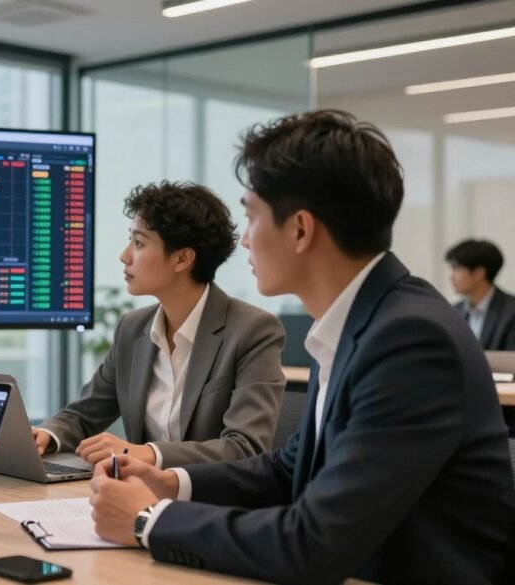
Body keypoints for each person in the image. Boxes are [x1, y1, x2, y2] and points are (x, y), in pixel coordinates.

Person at [89, 110, 515, 584]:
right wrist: (170, 483)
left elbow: (315, 543)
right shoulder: (356, 323)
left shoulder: (410, 340)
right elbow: (287, 470)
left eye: (251, 216)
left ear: (299, 229)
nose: (244, 240)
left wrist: (149, 520)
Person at [32, 181, 286, 468]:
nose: (125, 255)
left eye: (138, 243)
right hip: (141, 497)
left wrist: (148, 453)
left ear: (182, 258)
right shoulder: (133, 327)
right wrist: (47, 434)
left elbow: (244, 447)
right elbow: (82, 415)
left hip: (211, 503)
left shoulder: (253, 330)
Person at [445, 239, 515, 350]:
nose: (451, 277)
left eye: (457, 269)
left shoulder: (511, 311)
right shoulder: (454, 311)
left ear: (479, 273)